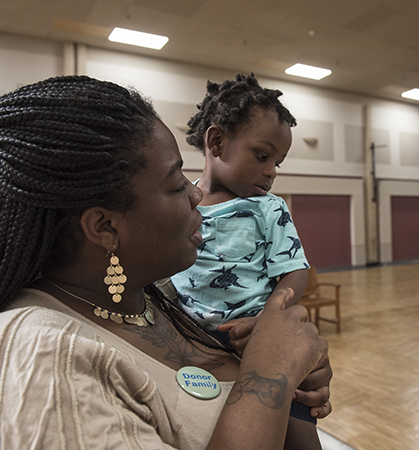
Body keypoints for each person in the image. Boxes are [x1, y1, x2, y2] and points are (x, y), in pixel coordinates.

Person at [0, 75, 331, 449]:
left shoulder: (147, 298)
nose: (195, 193)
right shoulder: (46, 356)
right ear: (105, 226)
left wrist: (291, 361)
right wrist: (271, 371)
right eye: (176, 184)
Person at [170, 74, 308, 353]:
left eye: (277, 163)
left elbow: (295, 272)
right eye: (262, 155)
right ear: (217, 142)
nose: (272, 171)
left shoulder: (269, 208)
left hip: (252, 337)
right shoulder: (181, 203)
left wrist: (267, 318)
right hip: (185, 337)